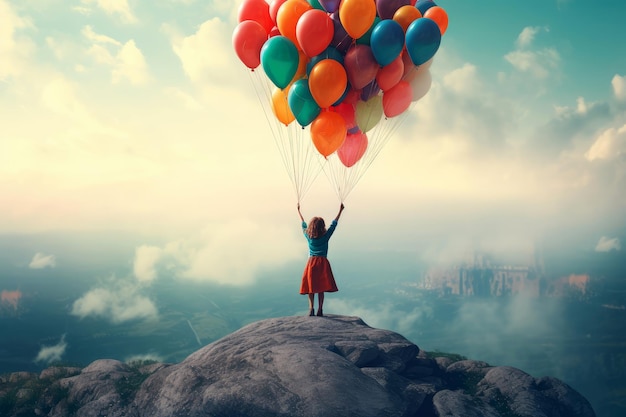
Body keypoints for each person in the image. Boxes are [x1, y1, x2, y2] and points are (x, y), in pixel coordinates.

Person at [297, 202, 345, 317]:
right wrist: (340, 210)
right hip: (323, 263)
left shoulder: (308, 236)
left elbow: (303, 225)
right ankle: (320, 309)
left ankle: (311, 309)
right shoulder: (326, 236)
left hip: (311, 263)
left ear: (312, 226)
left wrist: (299, 211)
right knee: (321, 287)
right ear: (322, 226)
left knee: (311, 287)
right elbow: (334, 224)